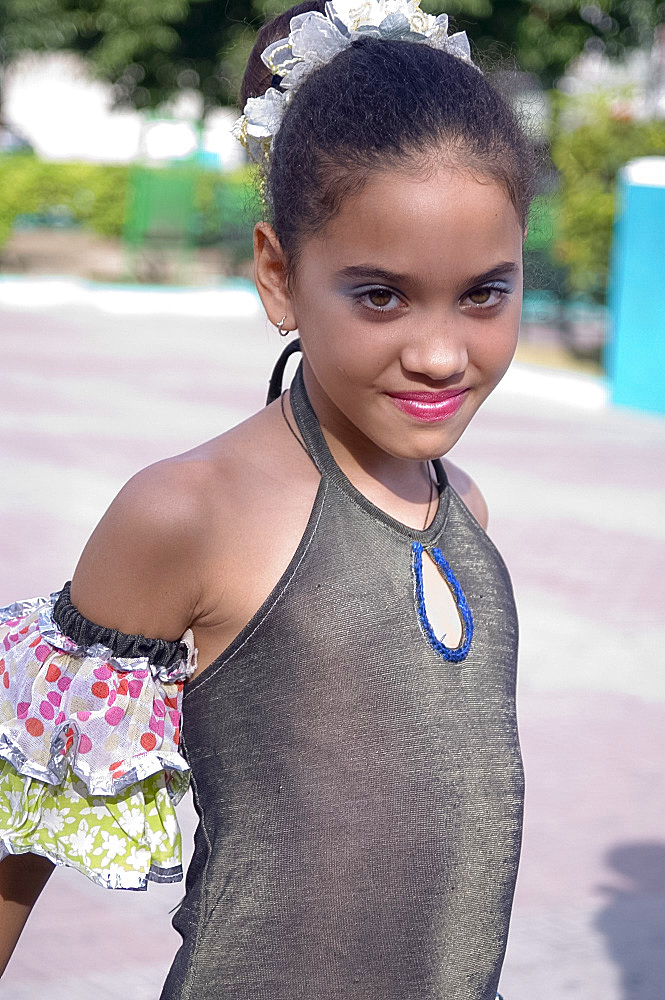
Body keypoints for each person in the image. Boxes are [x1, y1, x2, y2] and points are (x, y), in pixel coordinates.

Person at [0, 1, 535, 996]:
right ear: (279, 275)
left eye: (481, 293)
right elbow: (21, 814)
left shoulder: (465, 510)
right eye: (379, 294)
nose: (437, 352)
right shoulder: (186, 513)